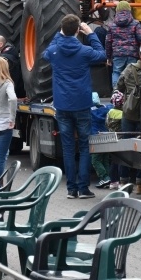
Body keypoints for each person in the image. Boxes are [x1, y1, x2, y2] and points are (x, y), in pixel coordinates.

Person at [43, 14, 107, 199]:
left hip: (62, 105)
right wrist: (90, 34)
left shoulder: (55, 51)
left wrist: (60, 34)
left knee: (68, 148)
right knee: (85, 146)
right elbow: (102, 54)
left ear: (62, 30)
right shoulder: (84, 51)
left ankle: (71, 189)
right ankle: (84, 188)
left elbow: (45, 53)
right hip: (82, 104)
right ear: (78, 30)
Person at [115, 41, 141, 194]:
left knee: (125, 147)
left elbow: (118, 86)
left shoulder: (129, 69)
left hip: (129, 113)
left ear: (139, 54)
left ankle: (123, 182)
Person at [105, 0, 141, 87]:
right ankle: (130, 94)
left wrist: (108, 57)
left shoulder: (111, 25)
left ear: (117, 10)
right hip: (132, 54)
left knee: (116, 72)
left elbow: (108, 42)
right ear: (129, 10)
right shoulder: (135, 23)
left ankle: (116, 93)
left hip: (118, 54)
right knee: (131, 74)